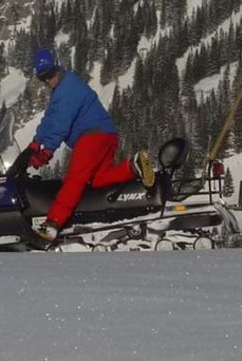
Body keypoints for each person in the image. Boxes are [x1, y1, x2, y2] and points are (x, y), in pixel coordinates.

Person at [16, 48, 155, 242]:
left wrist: (46, 151)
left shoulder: (66, 90)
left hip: (92, 136)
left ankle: (53, 224)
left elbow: (60, 126)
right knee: (98, 180)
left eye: (49, 74)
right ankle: (133, 166)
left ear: (56, 66)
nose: (47, 80)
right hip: (106, 135)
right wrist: (35, 143)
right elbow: (50, 119)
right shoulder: (62, 88)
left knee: (75, 179)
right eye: (42, 78)